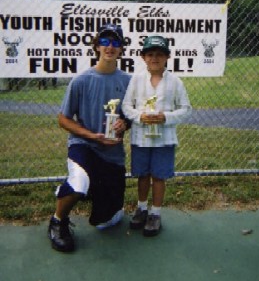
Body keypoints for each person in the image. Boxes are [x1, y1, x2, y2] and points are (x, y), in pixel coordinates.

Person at [48, 24, 131, 252]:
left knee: (107, 222)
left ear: (122, 49)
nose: (110, 46)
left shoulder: (129, 82)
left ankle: (91, 188)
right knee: (78, 184)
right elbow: (64, 119)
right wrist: (90, 135)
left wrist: (126, 123)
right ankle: (57, 221)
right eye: (104, 41)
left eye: (115, 42)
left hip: (112, 154)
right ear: (96, 46)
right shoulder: (81, 81)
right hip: (83, 146)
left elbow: (132, 114)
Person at [122, 35, 192, 237]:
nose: (155, 58)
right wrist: (140, 116)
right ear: (143, 57)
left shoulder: (175, 82)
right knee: (143, 175)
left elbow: (186, 109)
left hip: (164, 139)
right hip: (141, 137)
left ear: (167, 57)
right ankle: (142, 208)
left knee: (159, 176)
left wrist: (165, 117)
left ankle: (156, 213)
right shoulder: (136, 79)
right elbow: (126, 106)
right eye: (150, 54)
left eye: (159, 54)